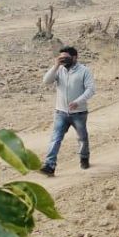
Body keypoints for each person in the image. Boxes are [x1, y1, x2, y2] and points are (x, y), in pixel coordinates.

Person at [39, 46, 95, 177]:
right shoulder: (59, 70)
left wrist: (78, 101)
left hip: (79, 113)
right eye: (61, 58)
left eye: (66, 58)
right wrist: (55, 66)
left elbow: (90, 90)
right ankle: (49, 165)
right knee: (55, 138)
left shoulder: (84, 71)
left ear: (75, 57)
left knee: (82, 138)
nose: (63, 60)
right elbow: (46, 81)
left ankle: (84, 157)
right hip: (60, 112)